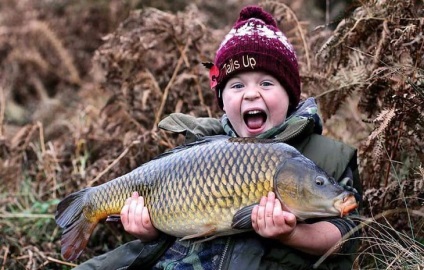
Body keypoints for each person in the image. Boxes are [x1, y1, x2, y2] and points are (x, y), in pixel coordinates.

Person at [74, 5, 361, 270]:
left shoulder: (322, 157)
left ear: (290, 95)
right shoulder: (200, 153)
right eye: (236, 85)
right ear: (222, 101)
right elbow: (169, 225)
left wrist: (292, 233)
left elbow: (347, 234)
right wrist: (148, 229)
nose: (251, 94)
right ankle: (88, 205)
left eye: (266, 83)